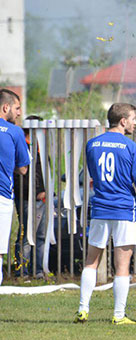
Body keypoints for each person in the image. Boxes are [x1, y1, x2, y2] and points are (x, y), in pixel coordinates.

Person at [75, 103, 136, 325]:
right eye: (133, 118)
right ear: (123, 121)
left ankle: (83, 309)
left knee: (91, 261)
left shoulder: (92, 144)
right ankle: (118, 315)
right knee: (122, 266)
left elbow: (93, 175)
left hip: (99, 208)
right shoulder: (131, 148)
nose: (135, 123)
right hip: (123, 209)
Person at [0, 89, 30, 286]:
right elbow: (23, 168)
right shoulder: (14, 131)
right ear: (6, 107)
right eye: (17, 108)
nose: (19, 113)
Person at [14, 115, 47, 278]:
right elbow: (21, 176)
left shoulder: (40, 148)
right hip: (27, 198)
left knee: (40, 236)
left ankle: (38, 270)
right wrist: (36, 191)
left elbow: (43, 172)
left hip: (42, 199)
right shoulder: (23, 147)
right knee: (26, 236)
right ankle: (22, 271)